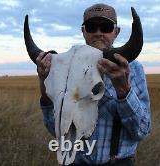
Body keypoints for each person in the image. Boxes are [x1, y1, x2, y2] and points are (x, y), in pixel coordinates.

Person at [36, 3, 151, 166]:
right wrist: (46, 83)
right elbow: (55, 130)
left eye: (106, 27)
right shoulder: (65, 68)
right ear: (83, 31)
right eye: (91, 27)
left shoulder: (133, 68)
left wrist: (124, 90)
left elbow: (142, 130)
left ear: (116, 32)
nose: (98, 33)